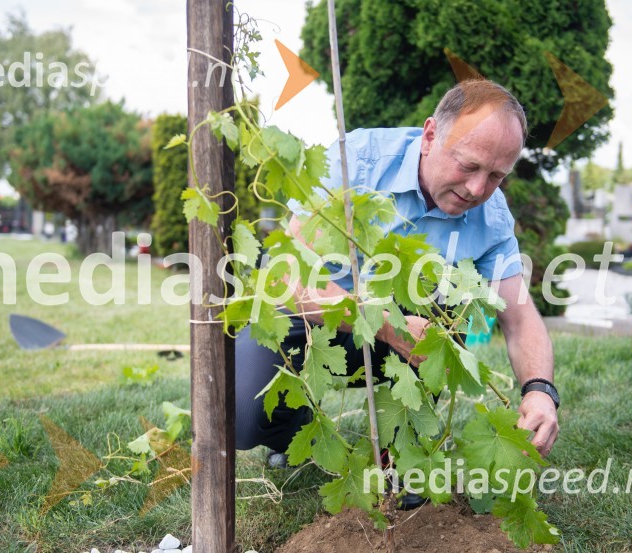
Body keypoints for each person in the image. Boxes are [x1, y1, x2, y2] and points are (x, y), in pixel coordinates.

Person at [235, 79, 559, 469]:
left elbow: (520, 318)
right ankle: (295, 430)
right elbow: (285, 278)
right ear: (430, 136)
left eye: (496, 176)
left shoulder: (493, 218)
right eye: (469, 165)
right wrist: (387, 325)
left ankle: (403, 451)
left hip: (412, 335)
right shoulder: (356, 161)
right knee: (242, 415)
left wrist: (540, 391)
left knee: (446, 311)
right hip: (312, 318)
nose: (477, 189)